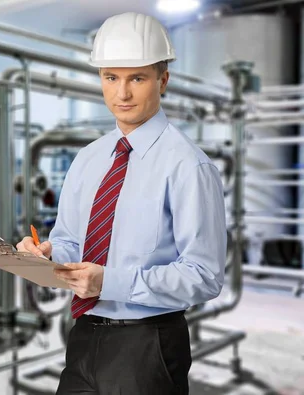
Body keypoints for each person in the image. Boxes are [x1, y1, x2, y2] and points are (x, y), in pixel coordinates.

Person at [16, 11, 226, 395]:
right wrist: (46, 255)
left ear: (163, 81)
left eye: (137, 79)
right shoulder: (90, 158)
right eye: (111, 78)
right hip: (84, 337)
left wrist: (109, 282)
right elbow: (70, 241)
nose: (122, 93)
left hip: (149, 346)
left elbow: (204, 275)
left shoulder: (188, 165)